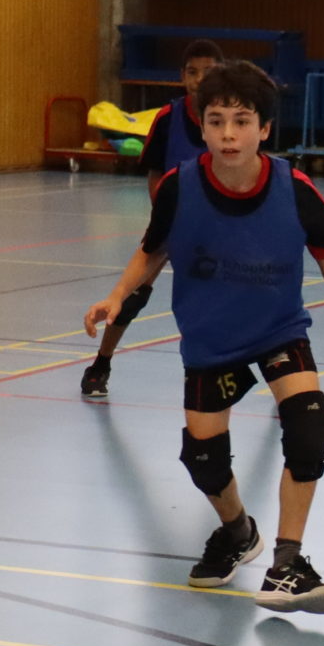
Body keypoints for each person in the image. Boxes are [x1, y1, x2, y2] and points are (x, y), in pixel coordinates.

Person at [82, 59, 324, 613]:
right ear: (201, 127)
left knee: (309, 429)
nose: (229, 133)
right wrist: (117, 295)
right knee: (203, 459)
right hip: (211, 337)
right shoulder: (180, 186)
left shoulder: (292, 187)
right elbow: (152, 249)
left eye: (242, 121)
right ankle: (237, 532)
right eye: (217, 121)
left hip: (278, 329)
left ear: (264, 129)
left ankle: (288, 564)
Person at [81, 38, 220, 401]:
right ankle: (100, 364)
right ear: (182, 77)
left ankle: (275, 377)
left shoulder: (229, 122)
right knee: (132, 295)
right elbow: (155, 173)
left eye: (208, 72)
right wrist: (166, 216)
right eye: (192, 72)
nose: (199, 79)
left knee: (242, 299)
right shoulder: (167, 118)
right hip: (172, 223)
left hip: (218, 228)